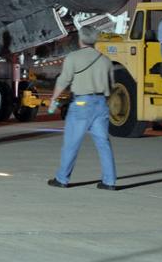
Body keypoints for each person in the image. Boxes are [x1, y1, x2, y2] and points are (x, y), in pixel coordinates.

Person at [47, 26, 117, 190]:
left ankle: (62, 178)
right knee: (103, 144)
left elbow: (63, 80)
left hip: (81, 104)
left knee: (72, 142)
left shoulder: (73, 57)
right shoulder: (105, 60)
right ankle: (109, 181)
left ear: (80, 39)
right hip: (100, 103)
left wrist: (54, 99)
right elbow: (112, 86)